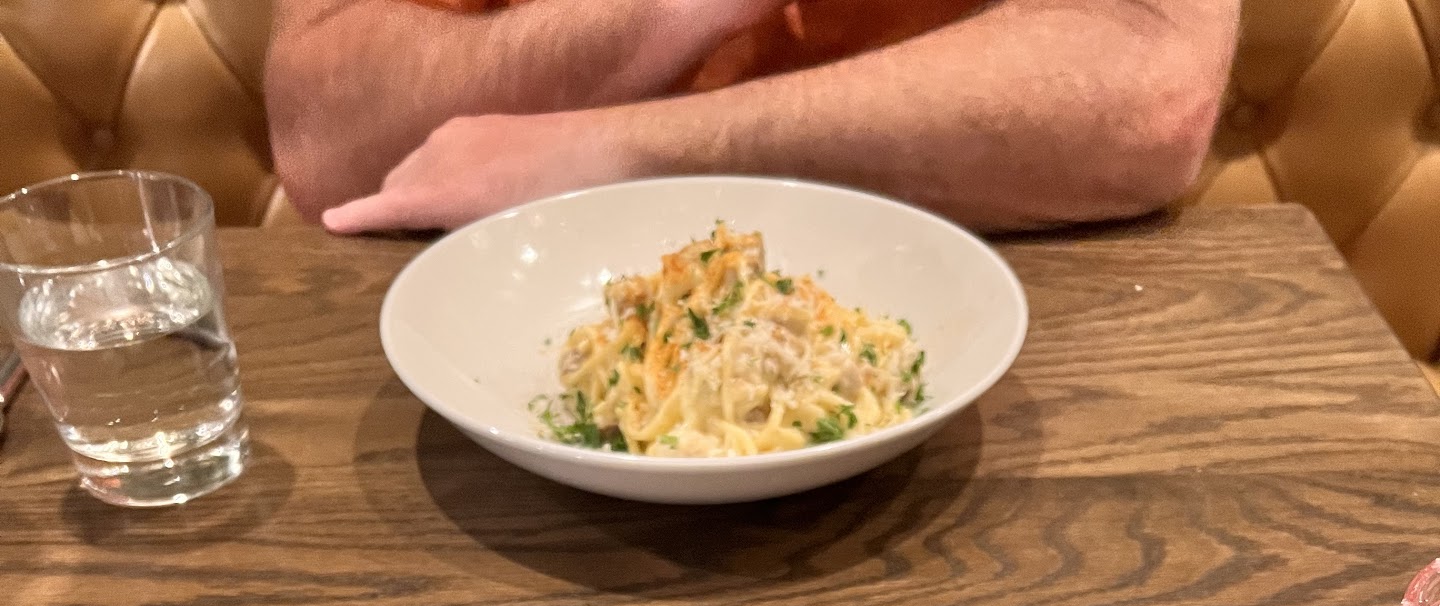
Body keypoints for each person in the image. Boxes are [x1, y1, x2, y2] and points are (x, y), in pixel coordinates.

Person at [266, 0, 1239, 237]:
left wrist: (609, 148)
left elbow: (1147, 89)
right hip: (500, 334)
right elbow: (330, 144)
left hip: (996, 334)